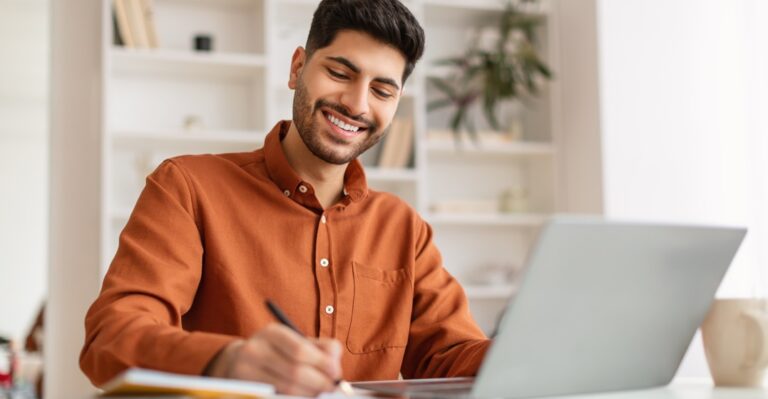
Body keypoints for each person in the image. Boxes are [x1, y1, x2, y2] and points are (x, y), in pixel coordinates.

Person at [80, 0, 490, 396]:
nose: (356, 103)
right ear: (297, 68)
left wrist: (536, 352)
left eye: (382, 91)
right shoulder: (187, 187)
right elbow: (112, 338)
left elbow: (450, 356)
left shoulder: (404, 228)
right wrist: (229, 361)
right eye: (340, 73)